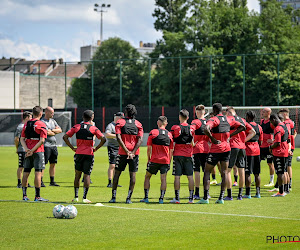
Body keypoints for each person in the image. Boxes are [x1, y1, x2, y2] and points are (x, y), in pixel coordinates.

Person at [198, 103, 245, 204]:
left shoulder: (214, 119)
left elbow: (206, 129)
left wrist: (213, 139)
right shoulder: (229, 119)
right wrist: (230, 136)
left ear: (214, 110)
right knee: (224, 172)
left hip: (216, 149)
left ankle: (205, 198)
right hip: (227, 148)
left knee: (207, 171)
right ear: (222, 110)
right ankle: (221, 198)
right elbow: (242, 127)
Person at [63, 110, 106, 203]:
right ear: (92, 118)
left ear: (83, 117)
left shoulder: (76, 127)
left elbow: (65, 137)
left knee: (77, 174)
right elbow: (103, 139)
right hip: (89, 153)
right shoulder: (94, 128)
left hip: (78, 153)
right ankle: (84, 198)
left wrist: (72, 148)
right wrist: (96, 148)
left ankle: (76, 197)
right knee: (87, 175)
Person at [109, 104, 143, 204]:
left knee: (117, 174)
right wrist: (132, 152)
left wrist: (127, 151)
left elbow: (118, 138)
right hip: (134, 153)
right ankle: (128, 198)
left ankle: (113, 197)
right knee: (132, 175)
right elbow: (140, 140)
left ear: (126, 112)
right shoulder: (138, 124)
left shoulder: (120, 122)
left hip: (122, 152)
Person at [140, 116, 173, 204]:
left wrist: (148, 159)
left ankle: (146, 197)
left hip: (154, 160)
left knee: (147, 176)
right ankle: (161, 199)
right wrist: (169, 161)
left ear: (158, 123)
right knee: (163, 179)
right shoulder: (169, 134)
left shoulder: (153, 132)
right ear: (166, 124)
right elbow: (171, 150)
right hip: (165, 160)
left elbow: (149, 148)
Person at [225, 107, 256, 200]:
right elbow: (253, 132)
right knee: (241, 171)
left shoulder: (229, 119)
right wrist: (243, 141)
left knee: (227, 171)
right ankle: (240, 195)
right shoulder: (242, 120)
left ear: (229, 113)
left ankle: (229, 195)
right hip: (242, 147)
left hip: (232, 147)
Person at [20, 106, 48, 202]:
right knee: (38, 173)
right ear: (40, 114)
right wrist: (32, 150)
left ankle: (24, 196)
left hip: (27, 151)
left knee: (26, 172)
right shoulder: (41, 124)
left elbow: (22, 139)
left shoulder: (26, 123)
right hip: (38, 151)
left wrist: (27, 149)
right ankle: (37, 196)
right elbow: (42, 140)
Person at [170, 109, 195, 204]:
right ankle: (191, 198)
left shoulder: (175, 128)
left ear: (179, 117)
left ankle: (177, 198)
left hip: (178, 154)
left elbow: (171, 141)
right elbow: (192, 142)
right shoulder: (192, 128)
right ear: (188, 117)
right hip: (189, 154)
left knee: (177, 177)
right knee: (190, 176)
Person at [191, 105, 209, 199]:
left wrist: (192, 143)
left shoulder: (195, 122)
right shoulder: (208, 122)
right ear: (204, 112)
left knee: (197, 171)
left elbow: (190, 132)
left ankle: (197, 193)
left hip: (197, 149)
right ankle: (207, 193)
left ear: (197, 112)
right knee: (206, 171)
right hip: (207, 149)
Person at [41, 106, 62, 187]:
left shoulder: (53, 121)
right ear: (46, 112)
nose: (53, 114)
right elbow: (46, 132)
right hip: (46, 146)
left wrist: (52, 130)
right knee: (43, 164)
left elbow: (60, 130)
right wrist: (53, 131)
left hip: (54, 145)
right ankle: (41, 181)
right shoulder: (42, 121)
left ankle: (52, 181)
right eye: (51, 112)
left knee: (53, 163)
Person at [269, 114, 289, 197]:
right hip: (285, 151)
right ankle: (286, 190)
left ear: (274, 120)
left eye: (271, 122)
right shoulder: (284, 126)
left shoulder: (278, 128)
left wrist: (270, 147)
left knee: (280, 172)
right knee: (284, 171)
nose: (271, 124)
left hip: (279, 152)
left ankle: (280, 192)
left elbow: (277, 143)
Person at [244, 111, 263, 198]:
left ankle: (248, 193)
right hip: (257, 150)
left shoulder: (246, 126)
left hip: (248, 150)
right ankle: (258, 193)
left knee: (247, 172)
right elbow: (261, 141)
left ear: (248, 117)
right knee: (257, 173)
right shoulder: (259, 126)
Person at [278, 108, 297, 190]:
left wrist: (288, 142)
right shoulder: (291, 122)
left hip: (287, 147)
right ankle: (287, 183)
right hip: (290, 145)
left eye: (280, 114)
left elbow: (289, 134)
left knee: (286, 166)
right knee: (287, 165)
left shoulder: (286, 123)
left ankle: (287, 184)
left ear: (285, 114)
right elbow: (294, 133)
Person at [105, 112, 124, 188]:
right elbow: (107, 134)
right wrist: (117, 136)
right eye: (121, 117)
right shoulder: (111, 126)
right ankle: (109, 182)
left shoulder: (121, 126)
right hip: (112, 147)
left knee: (117, 166)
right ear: (116, 117)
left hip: (120, 148)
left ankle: (115, 182)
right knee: (112, 165)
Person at [15, 111, 32, 188]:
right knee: (21, 166)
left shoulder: (28, 126)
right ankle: (19, 183)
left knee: (27, 167)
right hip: (22, 149)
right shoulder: (20, 127)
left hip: (27, 150)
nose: (32, 119)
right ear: (27, 118)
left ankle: (26, 182)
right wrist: (17, 148)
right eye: (31, 117)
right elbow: (16, 139)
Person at [260, 108, 275, 187]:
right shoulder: (262, 121)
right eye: (262, 111)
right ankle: (256, 179)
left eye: (264, 111)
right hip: (261, 146)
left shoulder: (271, 122)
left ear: (269, 112)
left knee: (270, 163)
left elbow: (277, 130)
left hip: (268, 146)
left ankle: (271, 181)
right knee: (256, 163)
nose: (262, 112)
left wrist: (273, 139)